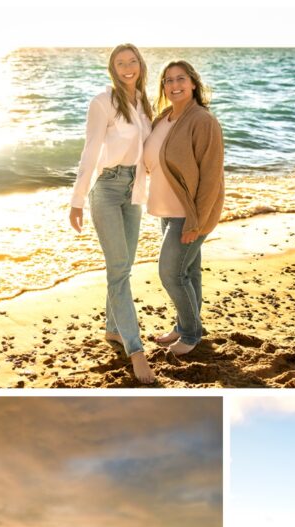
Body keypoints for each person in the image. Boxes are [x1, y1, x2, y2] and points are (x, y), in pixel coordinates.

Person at [69, 44, 155, 384]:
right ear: (112, 69)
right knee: (119, 272)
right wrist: (76, 200)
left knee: (123, 267)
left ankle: (112, 329)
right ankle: (136, 350)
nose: (127, 67)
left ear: (140, 65)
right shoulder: (102, 102)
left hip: (134, 190)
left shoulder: (144, 104)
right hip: (105, 189)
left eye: (132, 61)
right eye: (120, 63)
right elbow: (90, 151)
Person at [145, 60, 224, 356]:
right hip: (166, 210)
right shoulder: (163, 118)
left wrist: (197, 222)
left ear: (193, 83)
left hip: (188, 213)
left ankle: (191, 333)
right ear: (163, 87)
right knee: (188, 273)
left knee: (170, 273)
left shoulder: (203, 121)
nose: (174, 85)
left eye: (180, 79)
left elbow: (211, 176)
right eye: (168, 80)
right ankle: (182, 327)